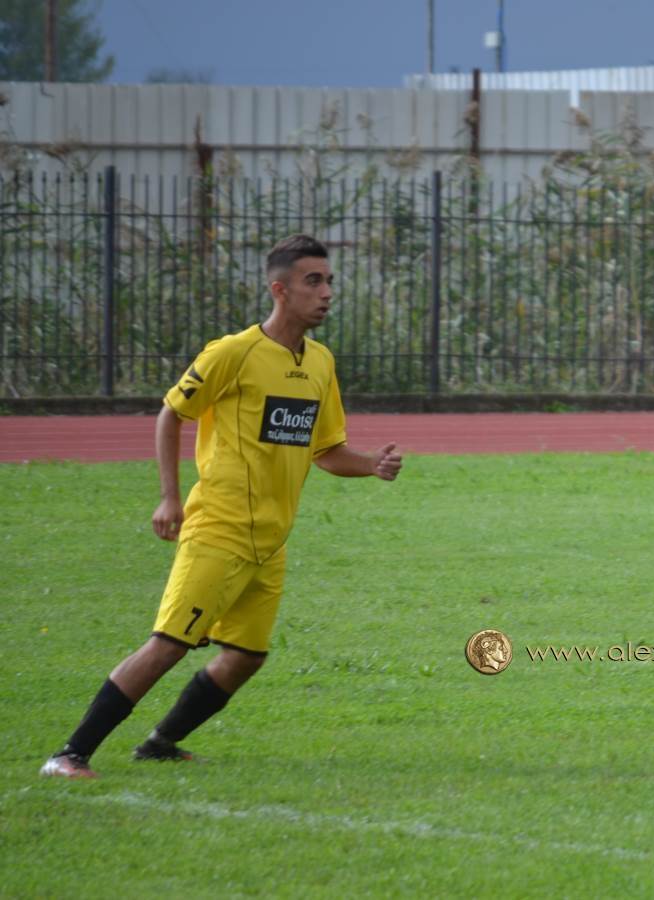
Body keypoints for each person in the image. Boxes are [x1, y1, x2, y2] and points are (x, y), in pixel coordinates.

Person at [41, 234, 404, 778]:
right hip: (220, 528)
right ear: (280, 290)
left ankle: (160, 743)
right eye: (313, 281)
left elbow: (327, 452)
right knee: (168, 644)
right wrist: (170, 496)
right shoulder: (233, 353)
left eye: (329, 281)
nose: (327, 292)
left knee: (246, 656)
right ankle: (69, 754)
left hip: (270, 541)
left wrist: (371, 464)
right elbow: (171, 414)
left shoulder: (320, 363)